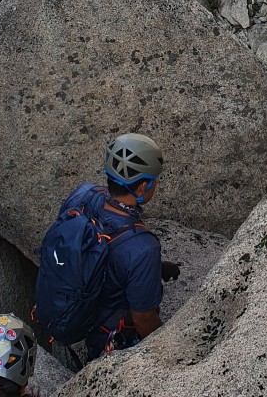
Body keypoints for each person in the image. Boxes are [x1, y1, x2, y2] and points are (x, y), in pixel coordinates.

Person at [55, 132, 179, 361]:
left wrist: (153, 268)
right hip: (108, 336)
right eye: (154, 181)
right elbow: (143, 318)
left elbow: (94, 247)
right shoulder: (143, 247)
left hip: (72, 306)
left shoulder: (82, 195)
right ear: (142, 187)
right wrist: (168, 353)